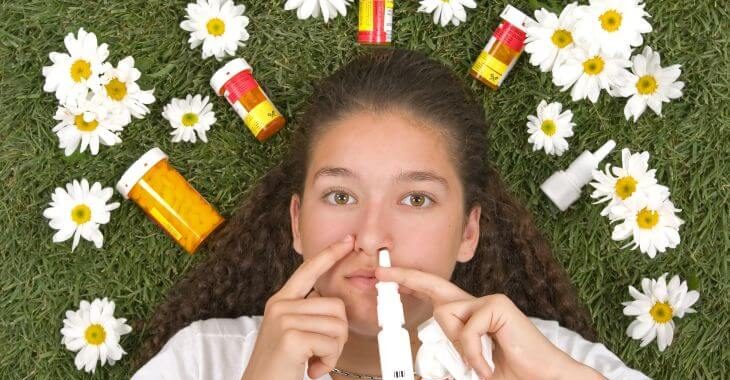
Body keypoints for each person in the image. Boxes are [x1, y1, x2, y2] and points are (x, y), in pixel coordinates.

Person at [132, 49, 648, 380]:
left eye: (416, 199)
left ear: (469, 232)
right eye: (340, 196)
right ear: (296, 223)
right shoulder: (202, 362)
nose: (372, 235)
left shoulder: (549, 360)